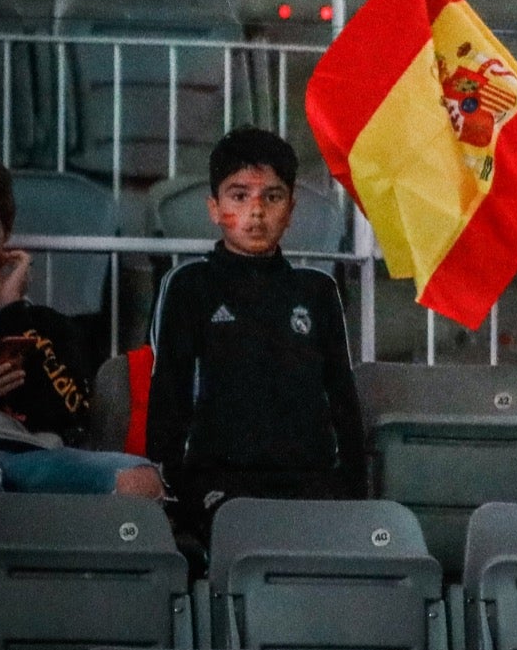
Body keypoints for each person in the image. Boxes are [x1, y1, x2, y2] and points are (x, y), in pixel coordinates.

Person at [147, 127, 366, 541]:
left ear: (291, 209)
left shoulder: (318, 291)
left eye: (272, 196)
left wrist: (353, 491)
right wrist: (180, 496)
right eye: (238, 196)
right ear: (214, 208)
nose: (257, 212)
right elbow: (169, 397)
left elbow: (343, 398)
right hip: (220, 488)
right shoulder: (189, 286)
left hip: (311, 486)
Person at [0, 147, 163, 504]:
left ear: (7, 230)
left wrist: (12, 313)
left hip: (37, 455)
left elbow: (73, 414)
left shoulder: (45, 324)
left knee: (139, 480)